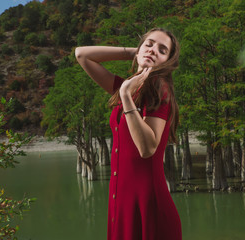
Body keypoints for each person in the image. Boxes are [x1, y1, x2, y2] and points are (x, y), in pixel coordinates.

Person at [75, 28, 182, 240]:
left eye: (162, 50)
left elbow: (147, 148)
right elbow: (82, 54)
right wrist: (136, 52)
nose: (153, 50)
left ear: (167, 62)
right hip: (121, 204)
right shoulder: (131, 86)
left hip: (148, 207)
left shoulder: (159, 89)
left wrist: (125, 96)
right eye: (149, 44)